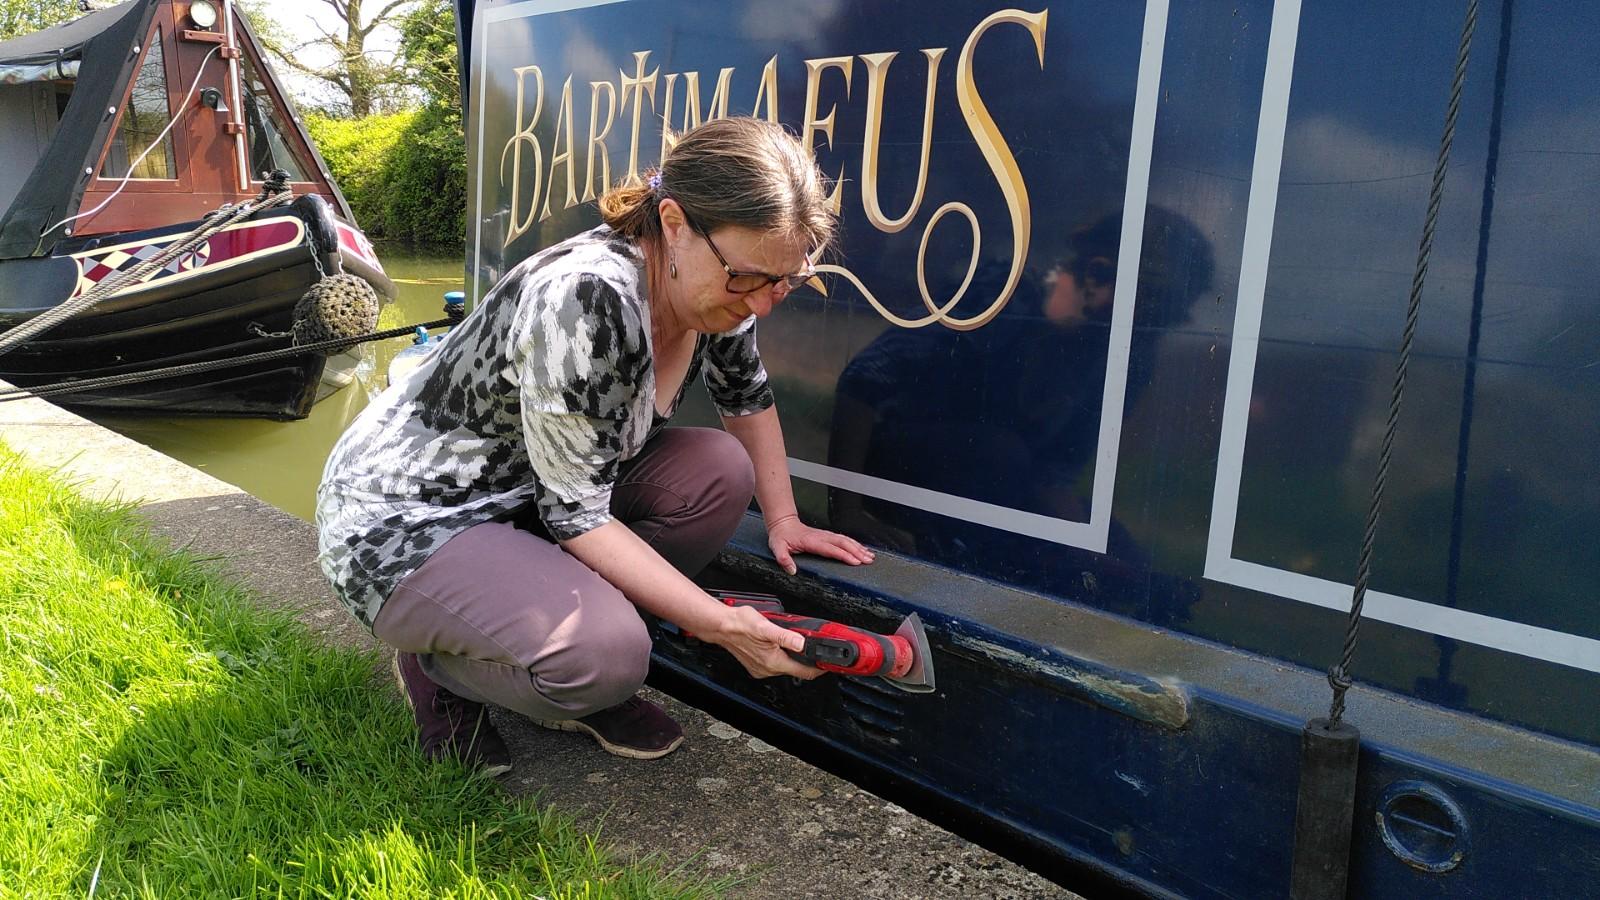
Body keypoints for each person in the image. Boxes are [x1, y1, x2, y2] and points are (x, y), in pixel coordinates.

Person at [315, 117, 874, 775]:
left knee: (719, 472)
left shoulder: (716, 290)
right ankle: (442, 665)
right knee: (608, 658)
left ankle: (544, 632)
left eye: (785, 281)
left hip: (527, 491)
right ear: (674, 224)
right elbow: (576, 513)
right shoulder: (585, 296)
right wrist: (721, 625)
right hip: (411, 516)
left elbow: (745, 396)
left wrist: (784, 520)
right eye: (748, 278)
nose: (764, 304)